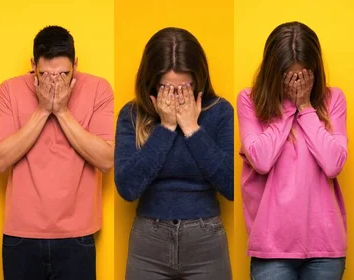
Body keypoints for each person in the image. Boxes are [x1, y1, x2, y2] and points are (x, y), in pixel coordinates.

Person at [0, 25, 114, 280]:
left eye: (63, 74)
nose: (54, 82)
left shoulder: (99, 89)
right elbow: (1, 160)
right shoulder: (9, 91)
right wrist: (42, 110)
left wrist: (60, 111)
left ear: (76, 65)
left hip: (77, 236)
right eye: (45, 74)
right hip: (20, 235)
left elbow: (105, 160)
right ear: (32, 66)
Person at [114, 27, 233, 280]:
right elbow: (127, 188)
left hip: (206, 238)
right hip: (148, 240)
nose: (177, 97)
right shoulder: (131, 115)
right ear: (152, 84)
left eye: (185, 88)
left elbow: (232, 186)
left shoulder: (220, 112)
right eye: (167, 89)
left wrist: (192, 128)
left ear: (198, 81)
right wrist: (166, 127)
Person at [238, 21, 348, 280]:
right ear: (273, 72)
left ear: (314, 72)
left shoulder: (334, 100)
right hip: (271, 250)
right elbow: (261, 160)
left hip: (326, 249)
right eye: (289, 79)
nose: (296, 85)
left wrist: (306, 108)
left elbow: (334, 164)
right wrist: (288, 106)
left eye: (303, 78)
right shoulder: (249, 101)